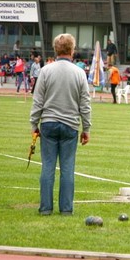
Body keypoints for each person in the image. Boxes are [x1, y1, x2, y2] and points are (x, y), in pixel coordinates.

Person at [29, 33, 91, 216]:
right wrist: (86, 128)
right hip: (70, 125)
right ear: (72, 50)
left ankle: (46, 208)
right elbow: (85, 104)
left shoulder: (45, 71)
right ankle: (66, 209)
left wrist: (34, 124)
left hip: (48, 123)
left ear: (55, 50)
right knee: (67, 168)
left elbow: (37, 101)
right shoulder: (79, 73)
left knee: (47, 166)